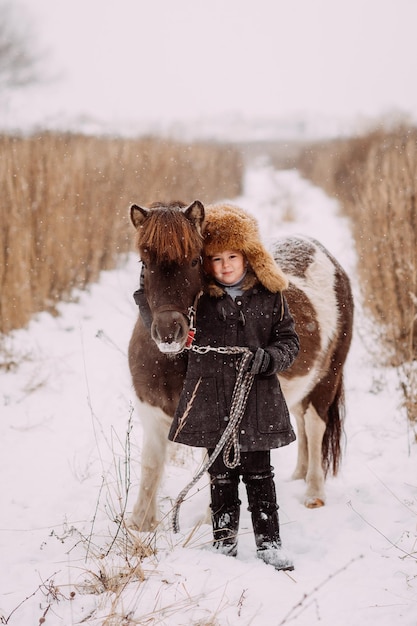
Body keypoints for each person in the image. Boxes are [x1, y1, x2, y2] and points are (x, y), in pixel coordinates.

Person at [168, 204, 300, 571]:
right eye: (215, 258)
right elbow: (165, 319)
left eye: (233, 256)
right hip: (214, 400)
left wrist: (269, 359)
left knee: (260, 473)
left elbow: (289, 341)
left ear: (248, 256)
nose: (225, 266)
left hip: (258, 399)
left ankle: (269, 543)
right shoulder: (197, 302)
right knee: (221, 474)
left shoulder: (270, 297)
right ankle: (224, 541)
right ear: (204, 262)